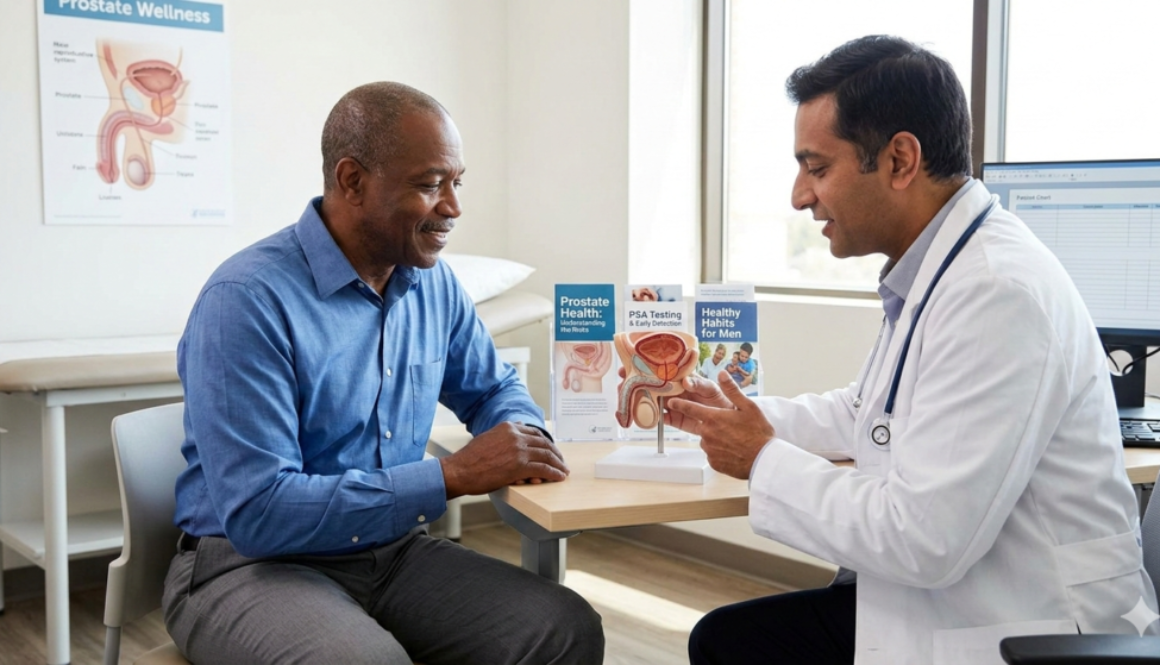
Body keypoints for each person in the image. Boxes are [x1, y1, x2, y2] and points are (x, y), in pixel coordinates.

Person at [667, 36, 1156, 665]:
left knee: (733, 644)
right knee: (729, 640)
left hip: (1030, 629)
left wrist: (761, 458)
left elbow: (924, 540)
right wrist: (736, 418)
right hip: (960, 600)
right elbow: (868, 413)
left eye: (817, 168)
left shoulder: (996, 292)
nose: (798, 195)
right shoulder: (940, 270)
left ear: (900, 160)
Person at [163, 82, 604, 665]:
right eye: (428, 185)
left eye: (456, 182)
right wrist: (448, 477)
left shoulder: (434, 284)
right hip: (249, 567)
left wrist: (521, 437)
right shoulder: (245, 300)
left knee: (562, 627)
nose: (453, 207)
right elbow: (260, 513)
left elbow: (495, 389)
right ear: (352, 181)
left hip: (391, 552)